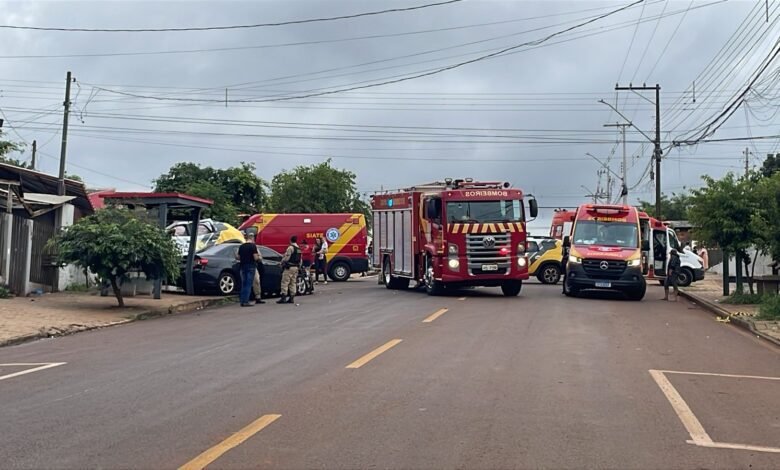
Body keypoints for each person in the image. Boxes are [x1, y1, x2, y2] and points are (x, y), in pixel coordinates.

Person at [237, 233, 260, 307]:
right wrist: (258, 258)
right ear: (252, 238)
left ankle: (242, 301)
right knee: (248, 284)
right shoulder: (253, 246)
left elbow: (237, 257)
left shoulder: (241, 246)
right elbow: (255, 257)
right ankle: (246, 301)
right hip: (251, 266)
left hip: (242, 266)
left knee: (243, 284)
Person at [278, 235, 302, 304]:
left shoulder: (290, 248)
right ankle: (292, 298)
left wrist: (282, 262)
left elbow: (287, 257)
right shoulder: (298, 249)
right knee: (293, 282)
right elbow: (300, 259)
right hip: (296, 267)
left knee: (285, 282)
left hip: (289, 267)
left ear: (290, 240)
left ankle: (283, 297)